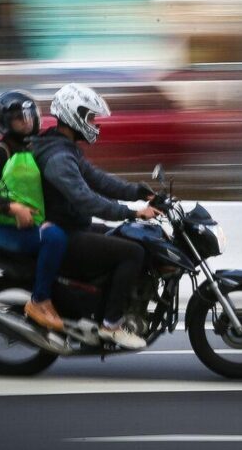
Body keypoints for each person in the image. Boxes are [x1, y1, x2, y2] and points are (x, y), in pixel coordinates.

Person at [31, 83, 161, 349]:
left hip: (74, 228)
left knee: (129, 238)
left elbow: (98, 180)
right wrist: (132, 212)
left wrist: (138, 191)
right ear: (72, 114)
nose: (93, 123)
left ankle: (108, 306)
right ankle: (111, 326)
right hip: (64, 234)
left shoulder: (64, 148)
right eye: (89, 117)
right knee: (131, 253)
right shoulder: (57, 157)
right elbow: (86, 199)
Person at [0, 90, 68, 332]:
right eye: (19, 118)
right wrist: (13, 208)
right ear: (5, 122)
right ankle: (40, 301)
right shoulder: (0, 152)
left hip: (30, 223)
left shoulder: (34, 147)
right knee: (54, 238)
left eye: (29, 116)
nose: (26, 122)